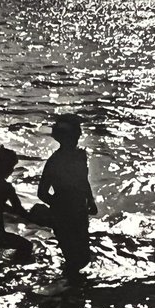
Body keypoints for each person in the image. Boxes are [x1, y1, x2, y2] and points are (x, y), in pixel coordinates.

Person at [38, 113, 98, 273]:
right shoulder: (54, 162)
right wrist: (60, 207)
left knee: (83, 257)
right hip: (65, 214)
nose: (78, 136)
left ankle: (72, 291)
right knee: (73, 258)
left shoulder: (80, 156)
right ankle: (69, 291)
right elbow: (42, 192)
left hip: (79, 211)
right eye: (75, 134)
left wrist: (90, 201)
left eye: (78, 133)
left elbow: (83, 181)